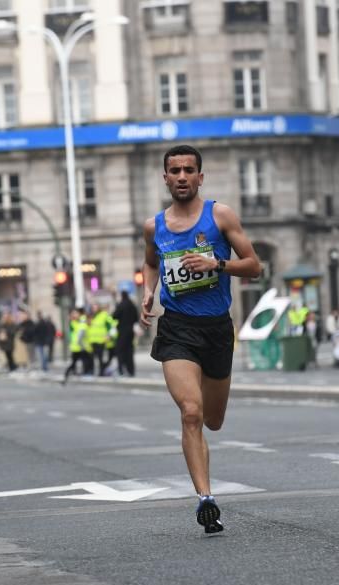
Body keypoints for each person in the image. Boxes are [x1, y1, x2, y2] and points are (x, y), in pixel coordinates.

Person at [141, 144, 261, 534]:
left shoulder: (219, 216)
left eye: (188, 170)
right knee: (190, 412)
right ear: (165, 178)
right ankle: (206, 499)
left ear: (199, 177)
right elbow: (149, 261)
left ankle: (206, 485)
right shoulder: (154, 226)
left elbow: (255, 266)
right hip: (177, 329)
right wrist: (148, 290)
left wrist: (217, 263)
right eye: (174, 170)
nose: (181, 176)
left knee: (213, 418)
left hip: (217, 329)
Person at [112, 290, 139, 377]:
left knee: (120, 351)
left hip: (122, 331)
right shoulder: (132, 305)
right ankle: (131, 370)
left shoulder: (121, 305)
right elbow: (136, 318)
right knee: (129, 351)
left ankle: (121, 370)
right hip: (130, 331)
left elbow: (114, 316)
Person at [62, 308, 92, 384]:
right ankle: (68, 374)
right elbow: (74, 335)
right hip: (78, 346)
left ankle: (69, 375)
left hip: (80, 345)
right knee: (80, 362)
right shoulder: (73, 323)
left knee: (84, 361)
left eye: (76, 313)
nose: (74, 315)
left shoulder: (80, 321)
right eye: (73, 313)